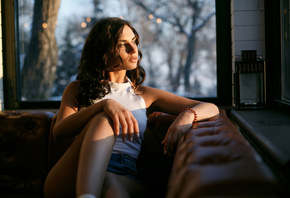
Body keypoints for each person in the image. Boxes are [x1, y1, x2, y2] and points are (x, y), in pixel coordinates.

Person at [43, 17, 219, 198]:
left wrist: (187, 116)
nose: (134, 49)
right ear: (103, 50)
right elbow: (58, 132)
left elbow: (211, 107)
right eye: (123, 44)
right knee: (104, 119)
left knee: (110, 184)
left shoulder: (142, 94)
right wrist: (104, 105)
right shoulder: (77, 89)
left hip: (122, 173)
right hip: (74, 172)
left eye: (134, 41)